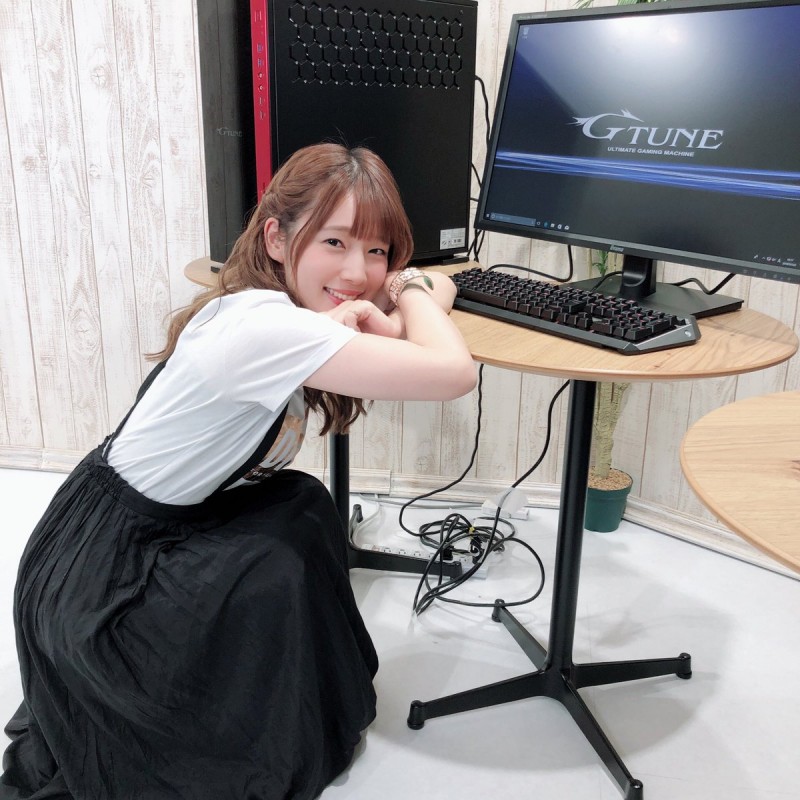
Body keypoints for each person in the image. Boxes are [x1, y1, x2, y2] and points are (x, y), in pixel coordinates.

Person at [0, 143, 476, 800]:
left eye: (377, 251)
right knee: (285, 540)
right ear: (277, 238)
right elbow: (452, 371)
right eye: (334, 242)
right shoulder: (264, 329)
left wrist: (400, 302)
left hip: (124, 528)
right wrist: (416, 289)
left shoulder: (271, 311)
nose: (358, 271)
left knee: (301, 506)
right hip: (101, 574)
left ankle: (294, 709)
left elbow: (410, 333)